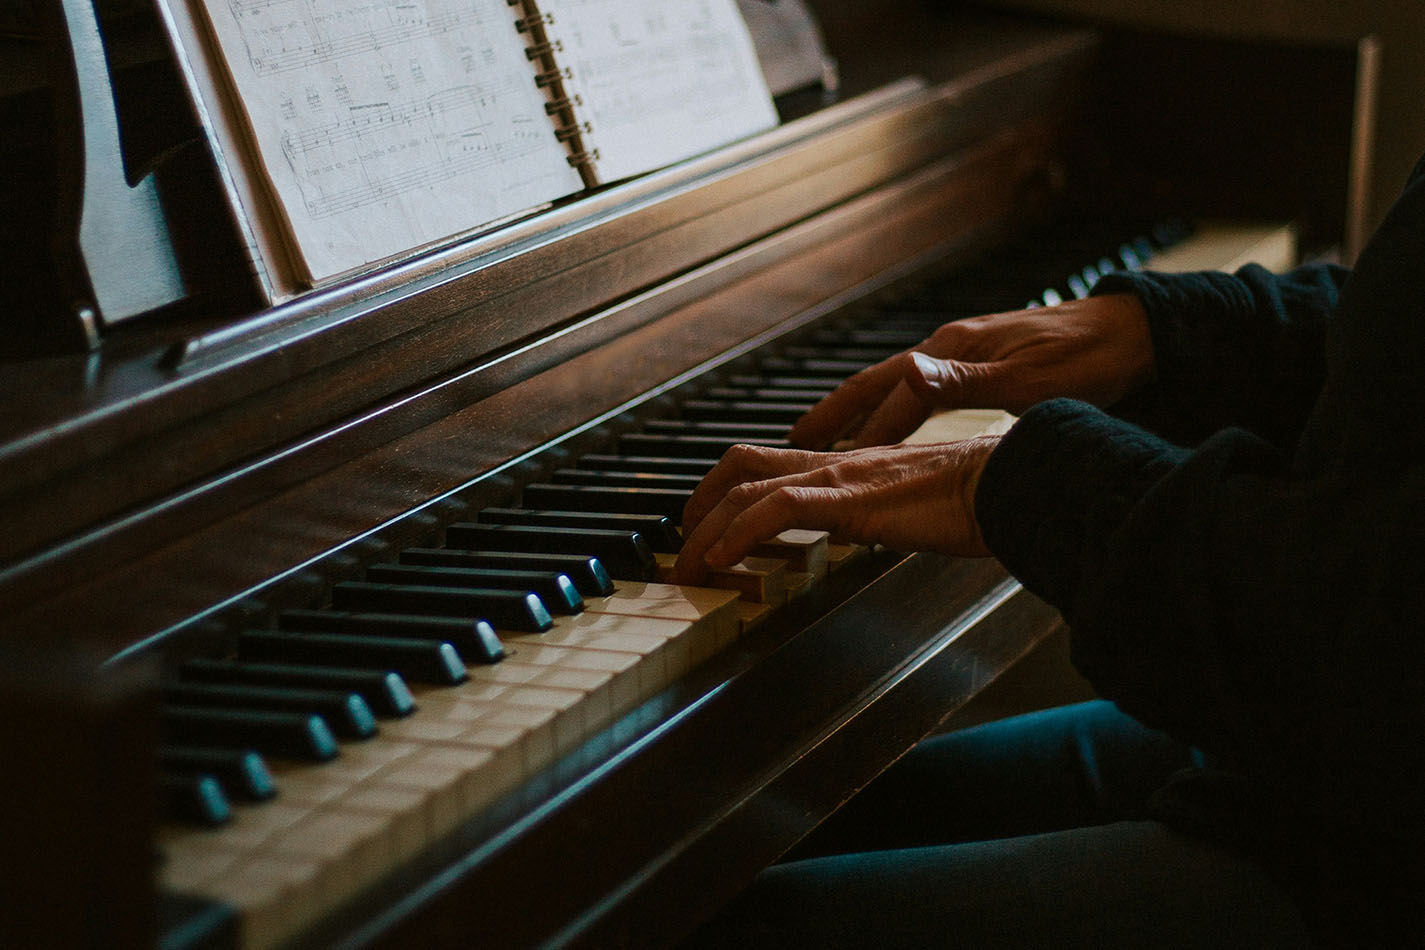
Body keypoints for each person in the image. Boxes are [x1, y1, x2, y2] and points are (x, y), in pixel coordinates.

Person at [673, 154, 1425, 948]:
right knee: (771, 821)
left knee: (702, 923)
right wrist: (1167, 332)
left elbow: (1378, 633)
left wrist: (1024, 482)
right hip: (1335, 755)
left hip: (1371, 853)